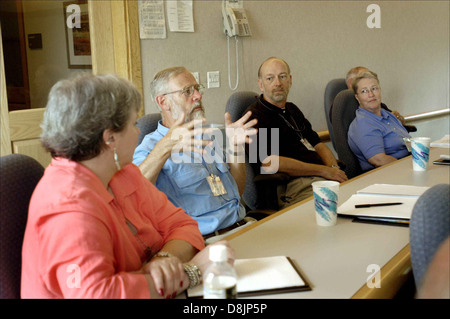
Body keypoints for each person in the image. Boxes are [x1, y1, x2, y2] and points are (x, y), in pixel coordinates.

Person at [21, 73, 234, 299]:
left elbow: (184, 225)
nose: (139, 131)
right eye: (133, 124)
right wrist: (190, 272)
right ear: (110, 138)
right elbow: (100, 295)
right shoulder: (68, 204)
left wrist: (164, 262)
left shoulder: (123, 173)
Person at [133, 66, 257, 242]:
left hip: (242, 226)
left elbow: (237, 190)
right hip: (204, 242)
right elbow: (135, 193)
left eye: (197, 88)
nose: (198, 95)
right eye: (187, 91)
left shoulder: (206, 136)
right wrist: (167, 146)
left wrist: (235, 148)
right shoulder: (151, 147)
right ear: (163, 102)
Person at [245, 57, 347, 209]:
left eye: (282, 76)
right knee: (339, 209)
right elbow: (270, 162)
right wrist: (323, 170)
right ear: (261, 84)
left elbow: (317, 143)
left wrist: (334, 169)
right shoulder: (255, 116)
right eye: (270, 78)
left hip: (320, 178)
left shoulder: (292, 110)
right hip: (292, 186)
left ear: (290, 80)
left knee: (355, 199)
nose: (278, 83)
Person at [347, 71, 411, 171]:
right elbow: (379, 160)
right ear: (357, 97)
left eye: (374, 88)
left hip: (409, 162)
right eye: (364, 91)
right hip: (389, 173)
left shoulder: (388, 114)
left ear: (380, 90)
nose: (371, 94)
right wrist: (409, 167)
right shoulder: (363, 124)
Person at [329, 66, 406, 125]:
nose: (371, 94)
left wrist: (398, 118)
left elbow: (395, 118)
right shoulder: (342, 106)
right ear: (351, 82)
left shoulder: (375, 102)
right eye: (363, 78)